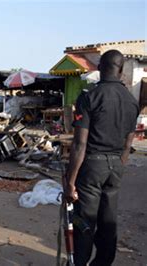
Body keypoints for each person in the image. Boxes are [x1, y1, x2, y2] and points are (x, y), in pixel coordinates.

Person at [64, 50, 139, 265]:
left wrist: (70, 182)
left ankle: (80, 262)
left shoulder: (89, 97)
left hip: (92, 166)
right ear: (121, 69)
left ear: (99, 68)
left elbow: (80, 144)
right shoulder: (131, 101)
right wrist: (117, 167)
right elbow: (128, 144)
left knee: (84, 221)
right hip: (116, 165)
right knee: (108, 221)